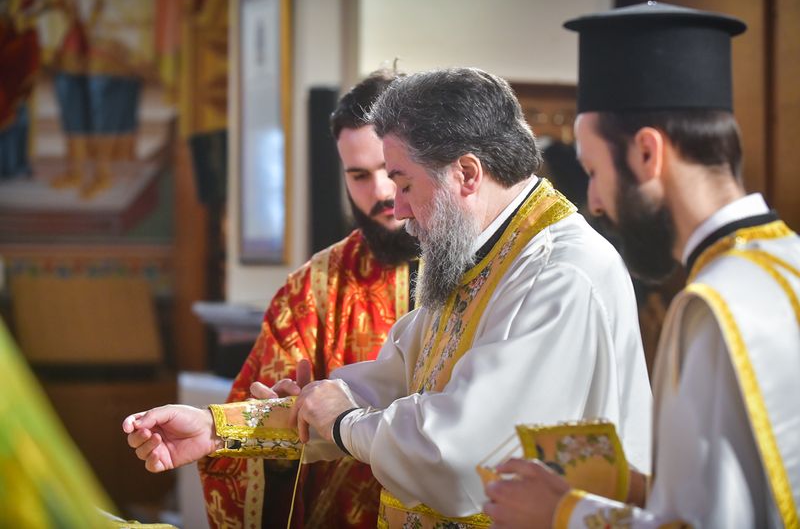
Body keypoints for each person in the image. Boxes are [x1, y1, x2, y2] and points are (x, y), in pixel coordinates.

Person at [124, 67, 653, 528]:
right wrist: (221, 428)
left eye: (403, 182)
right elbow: (393, 383)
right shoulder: (480, 251)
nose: (396, 207)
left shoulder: (558, 271)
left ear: (467, 174)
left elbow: (457, 454)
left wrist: (341, 421)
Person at [482, 2, 800, 529]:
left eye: (593, 171)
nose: (595, 203)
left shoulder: (715, 308)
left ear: (647, 154)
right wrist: (632, 489)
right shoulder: (785, 263)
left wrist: (561, 513)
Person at [199, 69, 419, 529]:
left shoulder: (485, 273)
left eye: (390, 171)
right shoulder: (315, 288)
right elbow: (247, 436)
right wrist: (282, 428)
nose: (380, 192)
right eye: (359, 176)